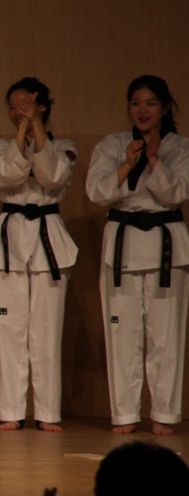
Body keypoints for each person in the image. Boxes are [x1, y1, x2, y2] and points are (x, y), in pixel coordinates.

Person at [85, 75, 187, 435]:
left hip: (166, 245)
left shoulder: (180, 147)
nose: (142, 110)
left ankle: (163, 413)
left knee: (165, 335)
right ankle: (125, 413)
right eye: (136, 103)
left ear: (165, 108)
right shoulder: (112, 144)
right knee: (122, 333)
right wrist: (126, 165)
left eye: (151, 103)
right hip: (123, 243)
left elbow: (178, 194)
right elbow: (96, 193)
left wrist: (155, 159)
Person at [0, 77, 77, 431]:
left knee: (46, 330)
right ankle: (10, 411)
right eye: (12, 106)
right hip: (10, 238)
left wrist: (36, 127)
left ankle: (47, 412)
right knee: (9, 329)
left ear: (42, 106)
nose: (16, 112)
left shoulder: (64, 147)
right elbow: (6, 177)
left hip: (48, 238)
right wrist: (23, 129)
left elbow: (52, 177)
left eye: (25, 105)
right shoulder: (0, 147)